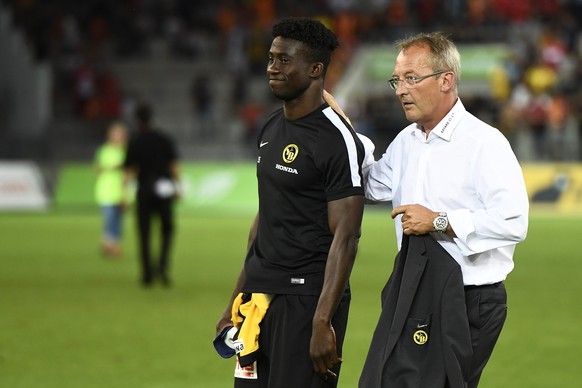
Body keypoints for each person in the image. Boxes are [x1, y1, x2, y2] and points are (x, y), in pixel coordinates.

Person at [360, 32, 529, 387]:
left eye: (411, 78)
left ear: (446, 80)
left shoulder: (484, 142)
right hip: (414, 289)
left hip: (469, 299)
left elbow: (513, 221)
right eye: (397, 80)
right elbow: (369, 185)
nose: (399, 90)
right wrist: (340, 130)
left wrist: (438, 221)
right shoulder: (407, 141)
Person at [215, 17, 366, 388]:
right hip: (258, 299)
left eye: (284, 60)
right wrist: (236, 298)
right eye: (270, 58)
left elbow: (346, 236)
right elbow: (264, 220)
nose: (272, 67)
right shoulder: (269, 128)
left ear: (315, 69)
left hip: (307, 299)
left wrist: (322, 320)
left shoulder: (336, 139)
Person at [123, 102, 181, 287]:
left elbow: (130, 170)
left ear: (137, 120)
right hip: (163, 191)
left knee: (144, 233)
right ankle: (162, 267)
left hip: (144, 190)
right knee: (167, 230)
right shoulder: (164, 139)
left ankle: (147, 274)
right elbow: (174, 166)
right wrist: (178, 187)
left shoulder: (136, 140)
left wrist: (123, 194)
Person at [94, 121, 128, 257]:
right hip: (106, 191)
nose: (117, 137)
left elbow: (130, 171)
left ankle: (111, 244)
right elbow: (98, 168)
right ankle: (110, 244)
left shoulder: (126, 151)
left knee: (118, 221)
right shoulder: (104, 150)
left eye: (119, 135)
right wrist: (116, 167)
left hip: (122, 191)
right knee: (110, 218)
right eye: (114, 134)